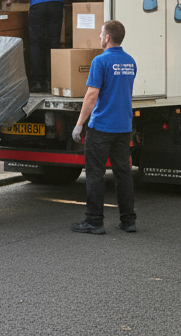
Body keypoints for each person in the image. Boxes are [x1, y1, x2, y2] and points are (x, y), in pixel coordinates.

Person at [70, 20, 137, 235]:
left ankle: (94, 221)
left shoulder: (100, 61)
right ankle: (128, 220)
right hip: (123, 126)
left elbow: (91, 95)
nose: (100, 37)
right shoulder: (130, 62)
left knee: (95, 174)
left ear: (107, 37)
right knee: (123, 173)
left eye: (101, 34)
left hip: (101, 127)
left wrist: (79, 124)